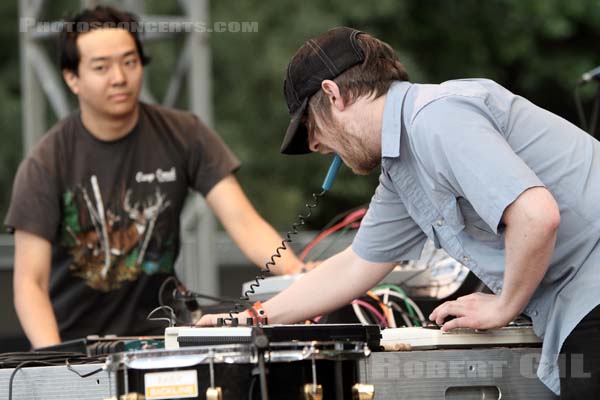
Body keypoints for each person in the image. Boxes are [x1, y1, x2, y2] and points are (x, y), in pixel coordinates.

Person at [200, 27, 600, 399]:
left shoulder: (436, 118)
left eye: (311, 126)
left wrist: (504, 305)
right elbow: (356, 265)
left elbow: (535, 215)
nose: (317, 145)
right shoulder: (404, 165)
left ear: (333, 95)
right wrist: (248, 320)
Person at [4, 6, 307, 348]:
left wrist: (298, 274)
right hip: (78, 346)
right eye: (101, 67)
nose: (119, 77)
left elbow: (243, 221)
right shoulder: (45, 162)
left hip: (164, 337)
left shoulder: (184, 133)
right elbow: (31, 283)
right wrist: (55, 362)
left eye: (129, 62)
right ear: (72, 78)